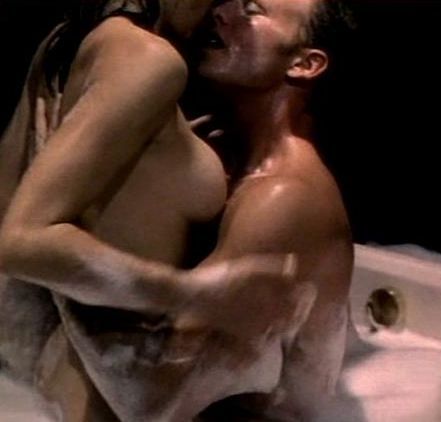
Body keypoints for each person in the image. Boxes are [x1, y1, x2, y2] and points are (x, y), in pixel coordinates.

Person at [0, 0, 313, 420]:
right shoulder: (150, 61)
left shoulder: (74, 38)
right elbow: (18, 242)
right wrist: (189, 292)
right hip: (102, 398)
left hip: (46, 384)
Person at [190, 0, 357, 420]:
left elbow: (151, 390)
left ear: (304, 64)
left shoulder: (283, 195)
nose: (221, 11)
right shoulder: (231, 160)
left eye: (253, 9)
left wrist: (57, 246)